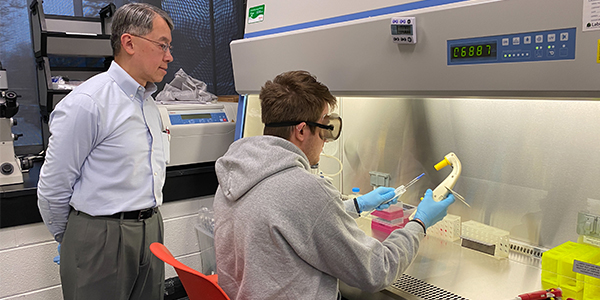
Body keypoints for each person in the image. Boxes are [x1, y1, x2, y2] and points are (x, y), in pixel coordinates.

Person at [213, 70, 456, 300]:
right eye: (326, 129)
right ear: (301, 131)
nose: (326, 141)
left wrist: (357, 205)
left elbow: (290, 217)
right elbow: (378, 270)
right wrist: (420, 222)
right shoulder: (305, 189)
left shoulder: (236, 175)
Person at [37, 3, 173, 300]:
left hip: (151, 231)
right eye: (162, 45)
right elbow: (52, 188)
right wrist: (77, 238)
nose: (169, 56)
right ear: (129, 42)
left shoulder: (150, 104)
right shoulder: (88, 102)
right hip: (101, 236)